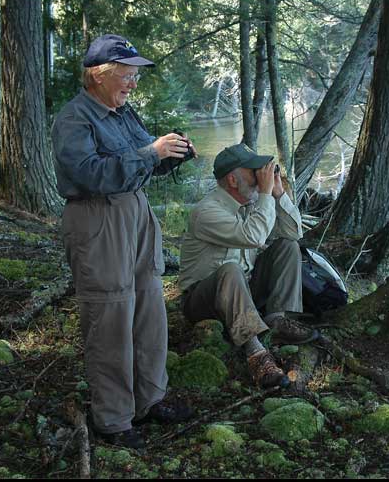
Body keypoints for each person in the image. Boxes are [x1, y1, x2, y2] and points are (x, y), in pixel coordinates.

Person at [51, 34, 193, 449]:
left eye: (134, 77)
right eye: (126, 75)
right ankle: (112, 420)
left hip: (136, 212)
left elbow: (139, 167)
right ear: (98, 75)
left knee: (149, 308)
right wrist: (152, 152)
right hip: (98, 219)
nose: (132, 84)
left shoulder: (123, 114)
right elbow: (92, 174)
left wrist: (169, 157)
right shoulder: (74, 118)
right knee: (110, 317)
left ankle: (149, 400)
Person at [179, 144, 319, 389]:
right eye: (253, 171)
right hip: (203, 300)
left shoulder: (253, 203)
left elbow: (293, 233)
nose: (259, 177)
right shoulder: (207, 211)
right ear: (233, 180)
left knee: (287, 246)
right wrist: (264, 194)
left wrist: (277, 194)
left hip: (243, 291)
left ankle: (277, 319)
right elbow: (253, 236)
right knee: (231, 269)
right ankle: (255, 353)